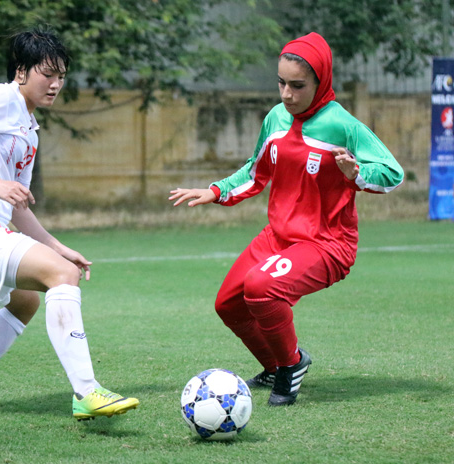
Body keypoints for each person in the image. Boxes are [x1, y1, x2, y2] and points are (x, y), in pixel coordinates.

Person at [169, 32, 404, 406]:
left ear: (321, 81)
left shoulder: (344, 126)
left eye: (298, 85)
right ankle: (277, 366)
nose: (286, 94)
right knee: (229, 304)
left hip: (327, 244)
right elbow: (254, 171)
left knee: (261, 286)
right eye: (281, 83)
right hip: (278, 236)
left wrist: (356, 174)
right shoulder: (277, 118)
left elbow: (392, 172)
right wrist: (215, 190)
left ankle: (291, 364)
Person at [0, 26, 139, 420]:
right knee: (61, 276)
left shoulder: (29, 130)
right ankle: (87, 392)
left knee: (26, 300)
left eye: (62, 76)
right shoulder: (0, 97)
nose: (56, 84)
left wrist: (57, 246)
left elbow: (18, 207)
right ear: (22, 71)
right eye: (48, 74)